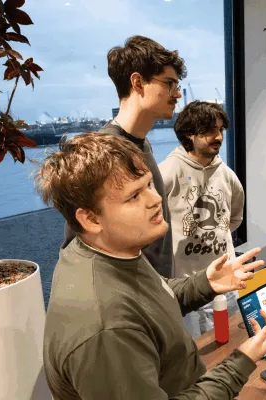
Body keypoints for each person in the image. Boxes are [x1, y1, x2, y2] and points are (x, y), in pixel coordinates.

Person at [37, 133, 266, 399]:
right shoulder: (106, 328)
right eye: (134, 196)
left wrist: (205, 283)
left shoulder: (105, 250)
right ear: (90, 219)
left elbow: (148, 299)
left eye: (148, 184)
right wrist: (241, 362)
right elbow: (127, 314)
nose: (156, 199)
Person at [62, 35, 185, 278]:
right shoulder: (104, 153)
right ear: (137, 82)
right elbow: (75, 246)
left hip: (157, 288)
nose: (178, 94)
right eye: (170, 83)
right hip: (132, 294)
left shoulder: (142, 143)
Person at [159, 101, 244, 337]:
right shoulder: (167, 172)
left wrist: (214, 234)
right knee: (198, 351)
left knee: (233, 342)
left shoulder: (226, 174)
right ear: (189, 134)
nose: (218, 137)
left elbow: (235, 217)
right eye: (210, 130)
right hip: (189, 287)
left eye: (221, 130)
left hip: (227, 281)